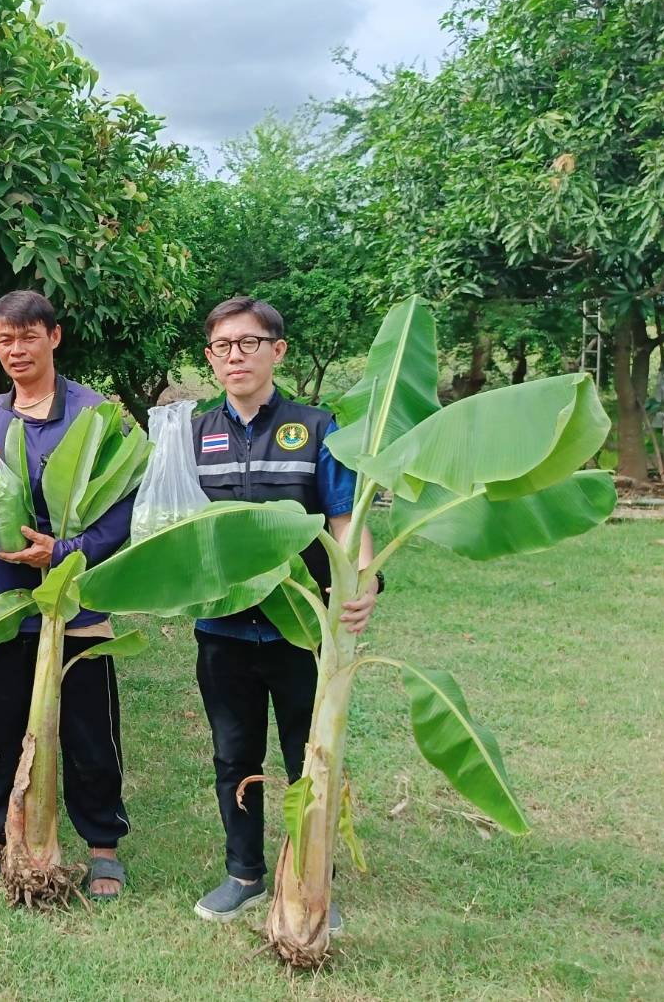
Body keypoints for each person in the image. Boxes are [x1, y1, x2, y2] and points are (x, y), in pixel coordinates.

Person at [189, 295, 379, 927]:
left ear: (277, 351)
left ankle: (309, 874)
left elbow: (344, 514)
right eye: (222, 346)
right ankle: (243, 872)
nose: (234, 356)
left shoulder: (317, 426)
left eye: (248, 343)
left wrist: (364, 582)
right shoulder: (194, 431)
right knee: (233, 754)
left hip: (301, 625)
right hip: (222, 625)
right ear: (211, 359)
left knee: (308, 754)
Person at [0, 291, 134, 900]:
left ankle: (103, 843)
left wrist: (59, 551)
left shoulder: (96, 414)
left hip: (74, 597)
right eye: (4, 339)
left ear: (54, 338)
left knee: (88, 727)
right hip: (3, 599)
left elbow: (122, 512)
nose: (15, 350)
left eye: (27, 337)